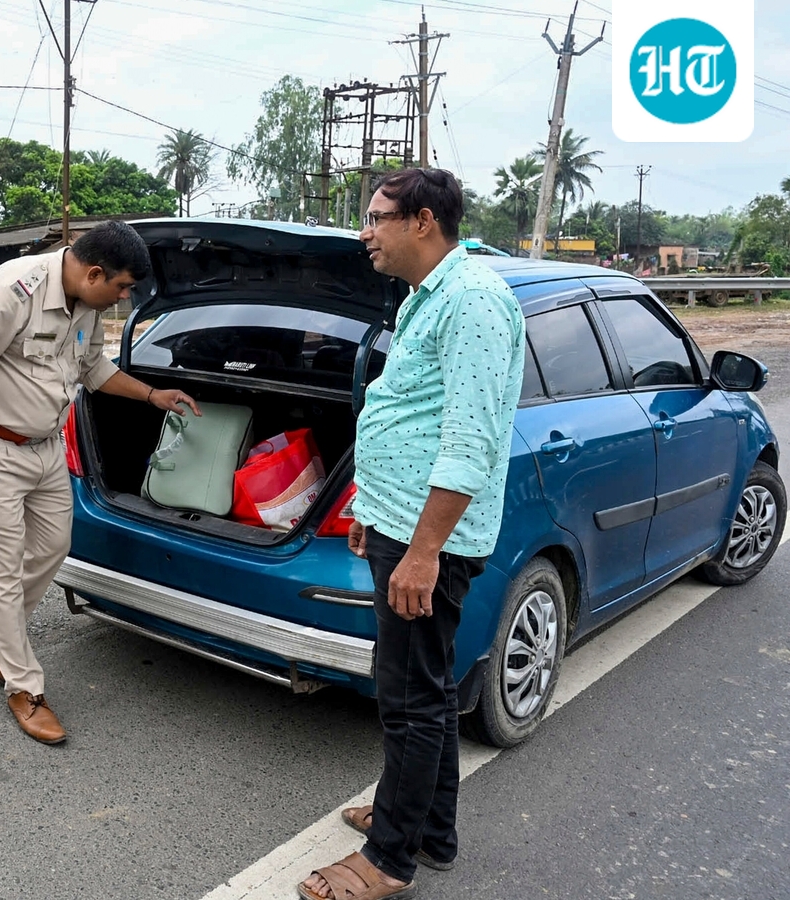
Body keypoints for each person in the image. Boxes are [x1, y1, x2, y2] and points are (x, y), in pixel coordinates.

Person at [299, 168, 524, 900]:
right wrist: (373, 508)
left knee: (410, 697)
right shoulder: (429, 296)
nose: (365, 231)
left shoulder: (473, 302)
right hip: (401, 525)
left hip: (434, 542)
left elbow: (468, 444)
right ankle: (430, 828)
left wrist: (424, 550)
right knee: (417, 686)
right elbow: (408, 411)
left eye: (375, 218)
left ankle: (390, 859)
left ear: (422, 221)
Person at [0, 221, 199, 745]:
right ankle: (24, 686)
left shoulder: (87, 304)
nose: (124, 297)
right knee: (2, 572)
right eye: (121, 287)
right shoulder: (11, 291)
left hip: (46, 449)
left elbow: (93, 367)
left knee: (54, 548)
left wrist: (152, 396)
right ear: (94, 271)